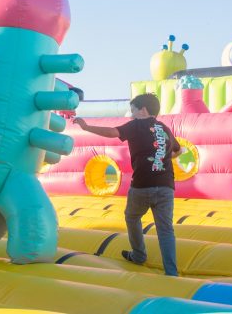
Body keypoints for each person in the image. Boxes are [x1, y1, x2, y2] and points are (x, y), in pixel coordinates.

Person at [74, 93, 180, 276]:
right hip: (165, 186)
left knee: (132, 217)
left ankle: (139, 255)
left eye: (133, 110)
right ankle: (171, 272)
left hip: (142, 185)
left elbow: (113, 133)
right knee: (165, 229)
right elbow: (178, 151)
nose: (131, 115)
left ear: (143, 110)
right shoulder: (165, 128)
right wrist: (162, 156)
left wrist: (86, 127)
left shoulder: (137, 124)